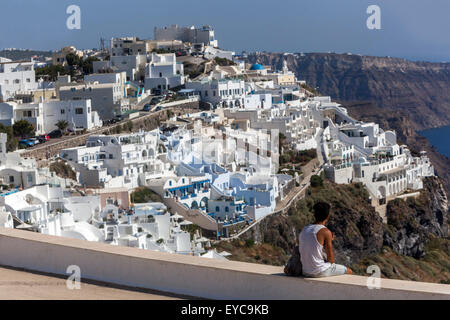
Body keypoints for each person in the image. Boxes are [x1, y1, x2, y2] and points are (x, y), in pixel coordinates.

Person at [299, 201, 352, 277]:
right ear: (327, 216)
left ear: (314, 215)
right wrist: (329, 240)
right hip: (319, 271)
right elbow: (331, 260)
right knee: (349, 271)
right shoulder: (325, 232)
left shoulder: (304, 229)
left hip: (305, 271)